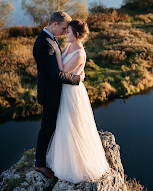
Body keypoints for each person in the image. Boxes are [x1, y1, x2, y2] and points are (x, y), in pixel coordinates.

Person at [45, 19, 110, 183]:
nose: (65, 33)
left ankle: (76, 165)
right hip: (66, 90)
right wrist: (59, 51)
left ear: (77, 35)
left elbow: (62, 72)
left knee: (73, 124)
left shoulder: (79, 53)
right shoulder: (68, 46)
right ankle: (65, 158)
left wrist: (57, 53)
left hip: (72, 93)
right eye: (66, 30)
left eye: (69, 31)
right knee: (64, 124)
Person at [33, 11, 85, 178]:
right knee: (47, 128)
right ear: (55, 24)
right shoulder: (44, 44)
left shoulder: (49, 38)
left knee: (57, 126)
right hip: (50, 94)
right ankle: (40, 164)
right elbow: (56, 75)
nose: (64, 32)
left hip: (57, 92)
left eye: (67, 30)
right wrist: (77, 79)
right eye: (63, 28)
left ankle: (59, 158)